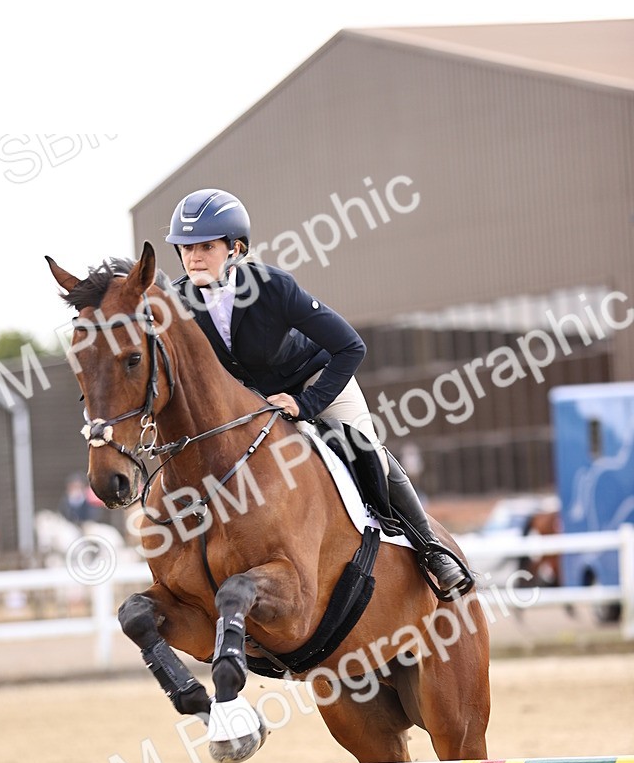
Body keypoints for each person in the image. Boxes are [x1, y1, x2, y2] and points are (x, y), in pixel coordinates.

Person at [165, 187, 469, 594]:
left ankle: (429, 548)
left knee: (366, 448)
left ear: (235, 248)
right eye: (186, 248)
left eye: (205, 246)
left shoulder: (272, 287)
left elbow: (350, 346)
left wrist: (306, 403)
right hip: (256, 402)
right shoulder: (179, 302)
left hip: (316, 379)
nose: (193, 258)